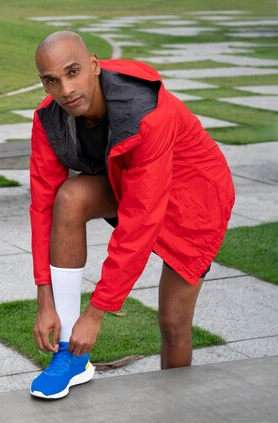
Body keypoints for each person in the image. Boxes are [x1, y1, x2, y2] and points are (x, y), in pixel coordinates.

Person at [28, 31, 235, 399]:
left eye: (73, 72)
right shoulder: (48, 119)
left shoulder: (149, 114)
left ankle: (175, 405)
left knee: (173, 322)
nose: (66, 89)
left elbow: (140, 223)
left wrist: (95, 315)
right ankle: (70, 357)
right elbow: (41, 206)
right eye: (52, 80)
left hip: (194, 197)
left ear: (94, 65)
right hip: (127, 180)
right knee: (69, 198)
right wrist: (45, 298)